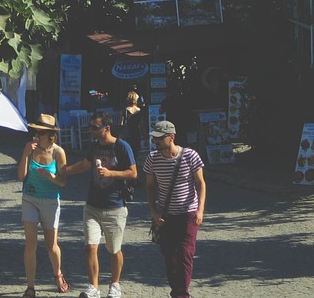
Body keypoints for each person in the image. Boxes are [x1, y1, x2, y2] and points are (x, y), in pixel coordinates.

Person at [60, 112, 137, 298]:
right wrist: (63, 171)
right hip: (92, 205)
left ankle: (115, 284)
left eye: (95, 127)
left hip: (115, 206)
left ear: (107, 128)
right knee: (90, 246)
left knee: (114, 249)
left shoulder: (122, 146)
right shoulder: (94, 147)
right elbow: (85, 165)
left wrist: (112, 174)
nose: (91, 130)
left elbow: (133, 173)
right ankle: (93, 287)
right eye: (91, 127)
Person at [143, 121, 206, 298]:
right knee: (170, 256)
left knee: (185, 253)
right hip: (166, 215)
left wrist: (200, 210)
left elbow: (201, 184)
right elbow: (148, 187)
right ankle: (176, 292)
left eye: (159, 138)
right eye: (154, 138)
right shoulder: (152, 159)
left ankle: (182, 294)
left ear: (171, 137)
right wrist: (154, 212)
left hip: (188, 213)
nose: (155, 141)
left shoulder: (190, 156)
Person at [17, 113, 70, 298]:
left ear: (50, 135)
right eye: (36, 132)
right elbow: (21, 176)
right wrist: (24, 154)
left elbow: (63, 182)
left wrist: (51, 177)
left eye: (41, 133)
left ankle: (58, 274)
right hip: (29, 199)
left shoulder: (58, 152)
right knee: (30, 243)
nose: (37, 136)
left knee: (51, 245)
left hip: (50, 201)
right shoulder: (30, 149)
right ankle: (30, 287)